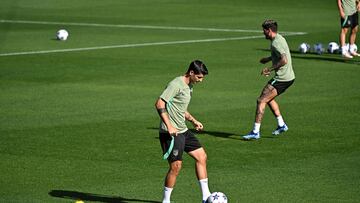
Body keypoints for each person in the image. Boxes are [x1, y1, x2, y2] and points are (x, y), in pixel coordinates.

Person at [155, 60, 211, 203]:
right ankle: (166, 201)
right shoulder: (176, 84)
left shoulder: (189, 86)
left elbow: (180, 107)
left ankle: (206, 197)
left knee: (201, 157)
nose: (201, 80)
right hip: (171, 133)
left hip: (183, 130)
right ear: (191, 72)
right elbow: (159, 103)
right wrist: (169, 126)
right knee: (176, 166)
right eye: (199, 77)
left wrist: (193, 120)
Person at [243, 20, 295, 140]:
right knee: (268, 98)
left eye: (264, 31)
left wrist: (269, 69)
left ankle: (255, 132)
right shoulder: (280, 38)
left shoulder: (276, 43)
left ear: (269, 30)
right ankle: (281, 125)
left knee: (261, 100)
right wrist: (268, 59)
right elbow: (279, 55)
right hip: (288, 77)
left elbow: (284, 60)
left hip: (282, 78)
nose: (263, 33)